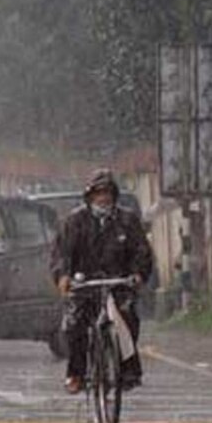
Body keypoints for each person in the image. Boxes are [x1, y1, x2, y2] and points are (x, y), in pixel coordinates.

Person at [50, 169, 155, 395]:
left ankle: (128, 371)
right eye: (98, 193)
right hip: (85, 286)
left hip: (118, 284)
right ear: (89, 196)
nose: (103, 198)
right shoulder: (74, 221)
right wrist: (63, 276)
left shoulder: (127, 220)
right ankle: (76, 374)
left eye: (107, 193)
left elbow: (142, 252)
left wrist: (138, 274)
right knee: (74, 324)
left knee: (127, 318)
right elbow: (61, 254)